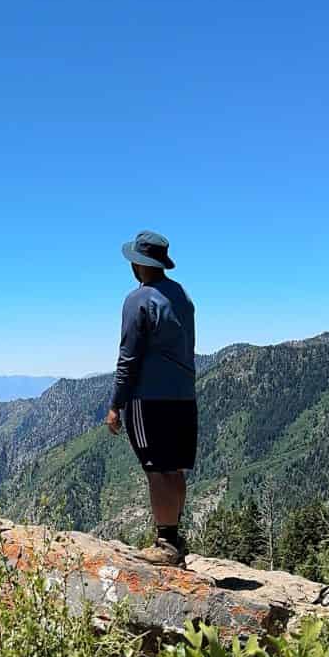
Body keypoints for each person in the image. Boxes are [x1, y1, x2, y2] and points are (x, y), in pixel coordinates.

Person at [105, 230, 198, 565]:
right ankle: (174, 538)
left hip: (150, 398)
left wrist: (116, 404)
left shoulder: (137, 300)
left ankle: (166, 545)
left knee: (156, 470)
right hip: (184, 396)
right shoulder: (182, 297)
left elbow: (128, 357)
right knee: (174, 470)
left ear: (138, 264)